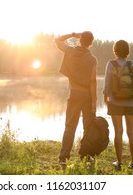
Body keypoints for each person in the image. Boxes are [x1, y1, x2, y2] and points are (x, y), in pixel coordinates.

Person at [55, 31, 98, 167]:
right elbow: (93, 81)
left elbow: (57, 40)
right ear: (91, 43)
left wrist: (73, 34)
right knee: (88, 127)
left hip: (74, 94)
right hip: (87, 95)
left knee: (70, 127)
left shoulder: (71, 51)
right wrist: (94, 101)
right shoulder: (92, 59)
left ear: (80, 40)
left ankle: (63, 158)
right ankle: (86, 156)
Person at [103, 40, 133, 170]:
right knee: (132, 133)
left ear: (115, 50)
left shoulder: (111, 64)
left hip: (115, 102)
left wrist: (105, 96)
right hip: (130, 102)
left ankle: (119, 162)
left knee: (118, 132)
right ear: (128, 50)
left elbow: (107, 83)